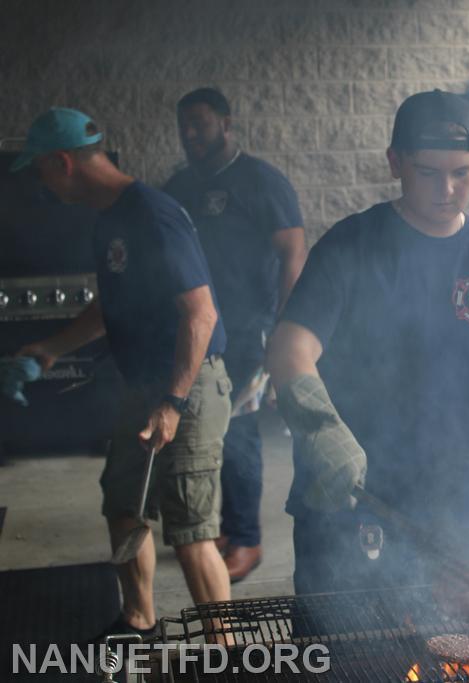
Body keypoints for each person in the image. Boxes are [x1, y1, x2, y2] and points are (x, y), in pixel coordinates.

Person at [267, 90, 469, 599]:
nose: (446, 189)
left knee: (442, 659)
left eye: (461, 173)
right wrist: (324, 432)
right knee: (340, 659)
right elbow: (288, 349)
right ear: (395, 163)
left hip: (450, 511)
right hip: (348, 506)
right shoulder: (350, 247)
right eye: (428, 172)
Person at [13, 108, 232, 637]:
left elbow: (201, 315)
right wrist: (49, 348)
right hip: (144, 385)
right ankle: (140, 622)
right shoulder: (109, 219)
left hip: (191, 383)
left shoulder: (152, 214)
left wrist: (174, 404)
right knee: (122, 504)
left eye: (40, 169)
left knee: (191, 530)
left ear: (63, 162)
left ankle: (228, 651)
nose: (40, 182)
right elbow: (108, 307)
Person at [164, 87, 307, 583]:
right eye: (184, 125)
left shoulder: (261, 182)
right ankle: (226, 528)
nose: (190, 134)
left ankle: (247, 540)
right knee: (208, 433)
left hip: (248, 331)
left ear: (226, 124)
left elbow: (293, 253)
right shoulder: (179, 186)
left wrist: (283, 331)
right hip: (197, 329)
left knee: (240, 433)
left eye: (199, 124)